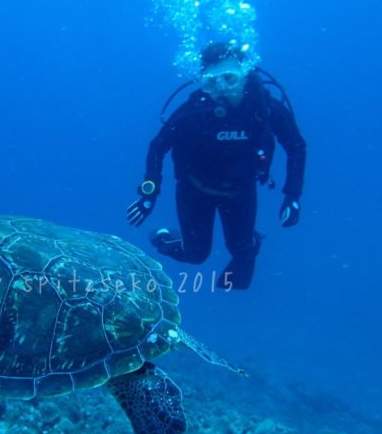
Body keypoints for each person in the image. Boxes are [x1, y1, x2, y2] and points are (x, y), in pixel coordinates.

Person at [126, 41, 306, 290]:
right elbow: (158, 146)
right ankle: (163, 238)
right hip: (194, 190)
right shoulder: (194, 111)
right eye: (211, 82)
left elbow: (296, 146)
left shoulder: (265, 110)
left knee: (242, 250)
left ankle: (239, 273)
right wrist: (149, 193)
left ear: (245, 75)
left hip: (241, 191)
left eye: (230, 78)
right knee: (196, 255)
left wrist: (292, 196)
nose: (221, 89)